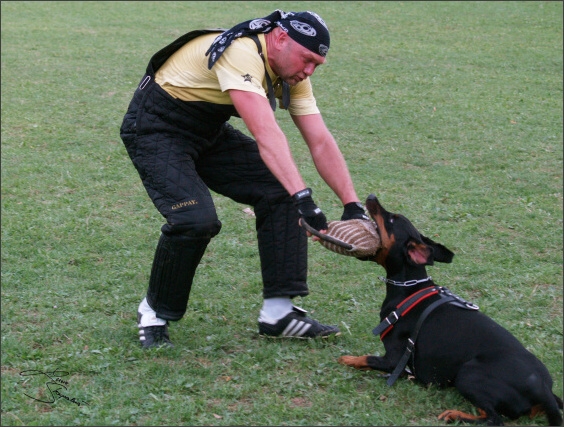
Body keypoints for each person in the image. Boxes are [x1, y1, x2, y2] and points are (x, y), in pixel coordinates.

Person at [120, 9, 368, 348]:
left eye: (316, 66)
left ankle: (278, 315)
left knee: (280, 191)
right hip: (157, 128)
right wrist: (305, 200)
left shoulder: (291, 73)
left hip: (207, 129)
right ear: (280, 38)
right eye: (307, 60)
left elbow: (320, 141)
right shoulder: (240, 52)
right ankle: (153, 312)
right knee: (195, 220)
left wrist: (352, 205)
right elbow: (267, 134)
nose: (308, 71)